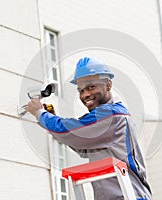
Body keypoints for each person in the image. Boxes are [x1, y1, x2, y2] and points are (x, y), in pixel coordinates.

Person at [26, 57, 152, 200]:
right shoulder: (106, 117)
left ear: (108, 85)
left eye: (91, 87)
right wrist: (50, 119)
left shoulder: (111, 114)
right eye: (81, 90)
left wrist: (40, 113)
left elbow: (70, 131)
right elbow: (81, 145)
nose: (85, 94)